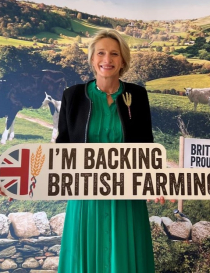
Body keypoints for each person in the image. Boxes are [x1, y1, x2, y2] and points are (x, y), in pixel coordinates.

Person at [56, 29, 155, 273]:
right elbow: (61, 149)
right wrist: (25, 180)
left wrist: (157, 182)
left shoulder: (138, 95)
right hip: (85, 197)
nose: (107, 60)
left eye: (114, 54)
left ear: (123, 61)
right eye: (101, 53)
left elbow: (146, 146)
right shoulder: (73, 96)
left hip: (127, 197)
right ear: (92, 58)